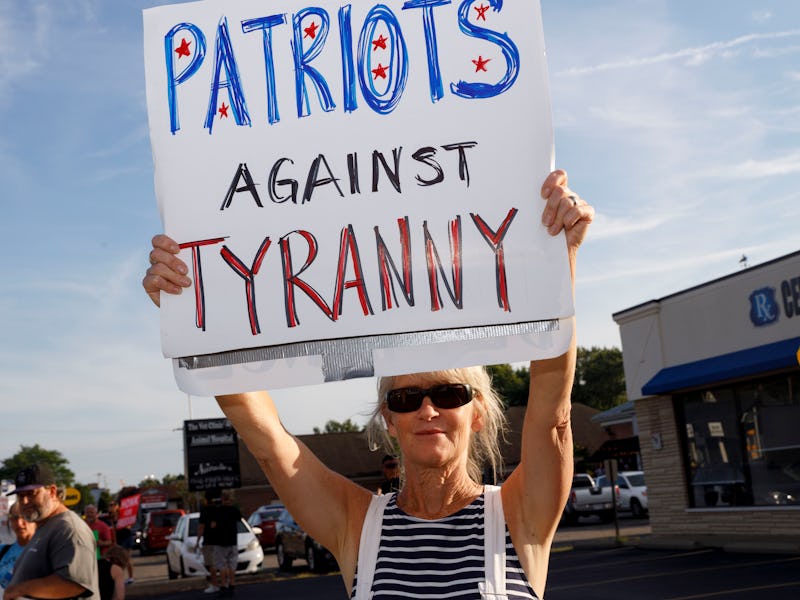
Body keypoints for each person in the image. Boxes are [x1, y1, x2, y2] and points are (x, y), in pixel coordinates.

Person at [144, 170, 593, 598]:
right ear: (389, 420)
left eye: (448, 394)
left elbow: (553, 418)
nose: (427, 410)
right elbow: (269, 443)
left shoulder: (517, 516)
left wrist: (560, 260)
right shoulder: (358, 524)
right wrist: (191, 314)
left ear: (476, 413)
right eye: (406, 398)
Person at [3, 463, 99, 600]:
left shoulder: (68, 528)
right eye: (20, 495)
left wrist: (19, 590)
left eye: (31, 494)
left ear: (52, 491)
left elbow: (74, 583)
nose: (24, 501)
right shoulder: (46, 526)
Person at [0, 503, 36, 598]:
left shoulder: (48, 550)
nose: (19, 523)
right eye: (15, 518)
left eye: (25, 516)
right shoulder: (3, 550)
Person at [212, 491, 242, 597]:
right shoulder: (235, 510)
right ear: (230, 499)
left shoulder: (217, 511)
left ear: (222, 499)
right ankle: (232, 585)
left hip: (220, 541)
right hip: (232, 540)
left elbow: (213, 525)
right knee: (232, 565)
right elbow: (239, 520)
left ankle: (224, 585)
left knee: (222, 565)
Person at [196, 491, 221, 594]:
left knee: (212, 565)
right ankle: (225, 583)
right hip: (220, 540)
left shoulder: (205, 511)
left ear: (206, 499)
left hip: (209, 541)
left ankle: (215, 585)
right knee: (223, 563)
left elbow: (201, 527)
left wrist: (197, 541)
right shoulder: (219, 510)